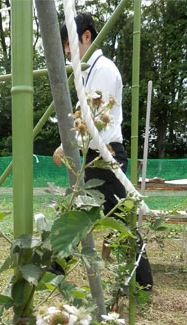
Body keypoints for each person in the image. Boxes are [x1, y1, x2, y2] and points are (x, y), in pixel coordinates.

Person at [53, 12, 153, 290]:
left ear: (87, 36)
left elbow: (92, 118)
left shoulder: (104, 69)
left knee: (122, 220)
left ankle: (143, 283)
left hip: (107, 155)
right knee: (75, 213)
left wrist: (65, 145)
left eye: (71, 45)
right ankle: (54, 268)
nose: (68, 52)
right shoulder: (87, 71)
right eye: (64, 48)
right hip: (92, 156)